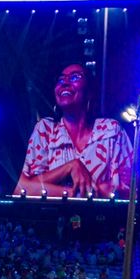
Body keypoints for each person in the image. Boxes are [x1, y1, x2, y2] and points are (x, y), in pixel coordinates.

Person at [13, 62, 132, 197]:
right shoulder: (45, 130)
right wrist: (70, 168)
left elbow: (131, 189)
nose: (65, 83)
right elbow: (21, 189)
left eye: (75, 77)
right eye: (61, 79)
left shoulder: (111, 131)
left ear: (89, 92)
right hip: (54, 217)